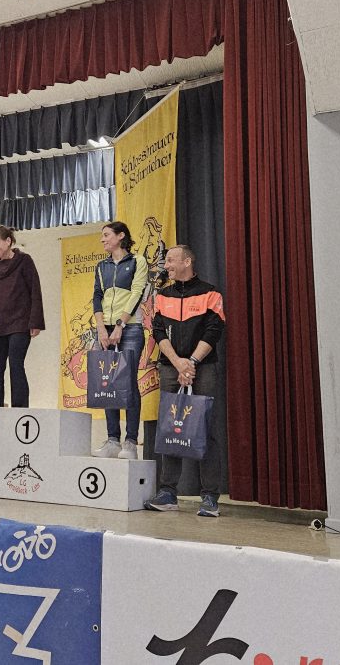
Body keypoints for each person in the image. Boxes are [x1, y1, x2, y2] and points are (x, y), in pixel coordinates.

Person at [144, 246, 226, 517]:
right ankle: (168, 492)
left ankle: (210, 496)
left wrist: (191, 362)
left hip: (203, 368)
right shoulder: (162, 295)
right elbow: (158, 332)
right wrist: (178, 363)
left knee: (204, 428)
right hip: (171, 368)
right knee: (171, 428)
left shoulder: (210, 293)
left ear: (187, 261)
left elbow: (214, 330)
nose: (166, 265)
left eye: (170, 260)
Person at [0, 225, 45, 436]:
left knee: (16, 367)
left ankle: (19, 417)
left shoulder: (24, 261)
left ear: (8, 241)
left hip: (20, 325)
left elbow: (35, 291)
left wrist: (35, 322)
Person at [90, 221, 148, 460]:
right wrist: (101, 328)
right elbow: (97, 296)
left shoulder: (137, 261)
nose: (102, 239)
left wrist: (120, 325)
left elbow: (137, 293)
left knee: (128, 382)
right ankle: (112, 439)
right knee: (107, 383)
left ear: (120, 235)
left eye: (106, 235)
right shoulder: (101, 266)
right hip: (105, 329)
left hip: (130, 328)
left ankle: (131, 442)